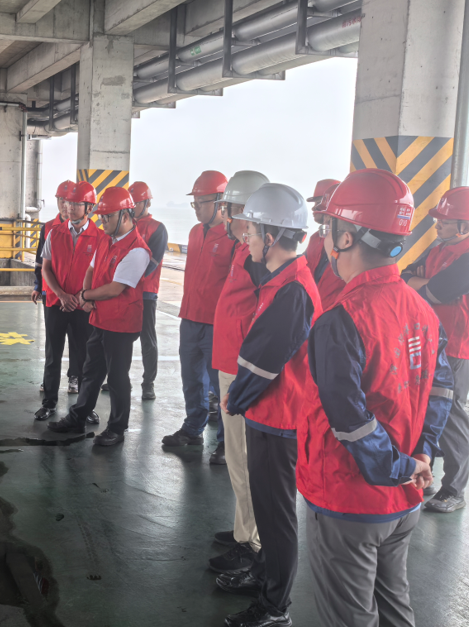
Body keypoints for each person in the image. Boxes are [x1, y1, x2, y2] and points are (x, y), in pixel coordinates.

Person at [298, 168, 452, 627]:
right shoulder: (423, 310)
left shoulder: (340, 319)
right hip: (405, 498)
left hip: (350, 498)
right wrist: (421, 455)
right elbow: (440, 390)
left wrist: (400, 466)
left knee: (351, 616)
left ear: (345, 237)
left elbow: (349, 420)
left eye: (329, 227)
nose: (325, 237)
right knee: (395, 608)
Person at [217, 183, 322, 627]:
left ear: (273, 237)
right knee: (264, 505)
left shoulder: (292, 291)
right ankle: (262, 576)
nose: (247, 238)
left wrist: (235, 399)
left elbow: (262, 363)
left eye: (253, 231)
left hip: (280, 418)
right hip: (267, 415)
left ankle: (275, 605)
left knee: (276, 517)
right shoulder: (279, 281)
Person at [47, 187, 151, 446]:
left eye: (107, 217)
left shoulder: (137, 250)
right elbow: (91, 269)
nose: (102, 221)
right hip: (100, 319)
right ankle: (77, 417)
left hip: (121, 324)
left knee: (117, 377)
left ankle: (117, 428)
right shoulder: (107, 239)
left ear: (124, 216)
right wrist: (86, 296)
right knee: (91, 372)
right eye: (102, 217)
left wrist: (86, 296)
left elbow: (116, 288)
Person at [207, 171, 269, 576]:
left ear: (246, 211)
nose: (225, 216)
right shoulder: (244, 251)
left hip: (242, 370)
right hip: (229, 363)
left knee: (246, 460)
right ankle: (242, 530)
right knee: (236, 458)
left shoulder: (259, 261)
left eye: (228, 208)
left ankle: (254, 544)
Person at [402, 186, 469, 514]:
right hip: (430, 341)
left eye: (445, 220)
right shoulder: (439, 248)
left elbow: (437, 291)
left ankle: (454, 489)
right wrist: (421, 284)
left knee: (452, 414)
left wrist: (423, 285)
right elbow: (404, 276)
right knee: (424, 407)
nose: (438, 224)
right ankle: (424, 470)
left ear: (464, 225)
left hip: (457, 347)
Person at [162, 171, 231, 452]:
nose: (197, 208)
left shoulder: (232, 237)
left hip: (217, 324)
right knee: (192, 380)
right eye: (195, 203)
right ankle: (193, 429)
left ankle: (226, 443)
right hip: (190, 319)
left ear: (221, 202)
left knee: (221, 386)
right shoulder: (194, 232)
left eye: (202, 202)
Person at [35, 181, 103, 424]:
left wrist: (83, 297)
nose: (69, 207)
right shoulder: (55, 233)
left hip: (84, 306)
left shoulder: (100, 238)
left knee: (86, 357)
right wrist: (62, 295)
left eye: (76, 204)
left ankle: (85, 407)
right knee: (53, 355)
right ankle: (49, 403)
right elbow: (46, 269)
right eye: (68, 202)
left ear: (89, 208)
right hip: (57, 304)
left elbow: (101, 274)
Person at [34, 180, 80, 395]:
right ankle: (49, 381)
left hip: (77, 297)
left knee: (77, 340)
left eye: (68, 201)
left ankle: (74, 376)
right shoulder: (48, 228)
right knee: (53, 342)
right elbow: (39, 262)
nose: (64, 204)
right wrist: (37, 286)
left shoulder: (89, 232)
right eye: (61, 200)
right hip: (51, 294)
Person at [128, 181, 168, 400]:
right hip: (123, 291)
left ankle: (148, 383)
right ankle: (118, 377)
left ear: (146, 203)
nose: (132, 207)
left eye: (136, 203)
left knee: (148, 339)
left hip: (145, 293)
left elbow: (153, 262)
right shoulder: (125, 224)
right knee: (120, 337)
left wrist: (127, 279)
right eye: (130, 203)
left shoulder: (157, 228)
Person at [304, 179, 346, 309]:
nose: (314, 207)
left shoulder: (347, 242)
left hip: (337, 312)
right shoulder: (314, 239)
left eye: (318, 202)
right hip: (313, 310)